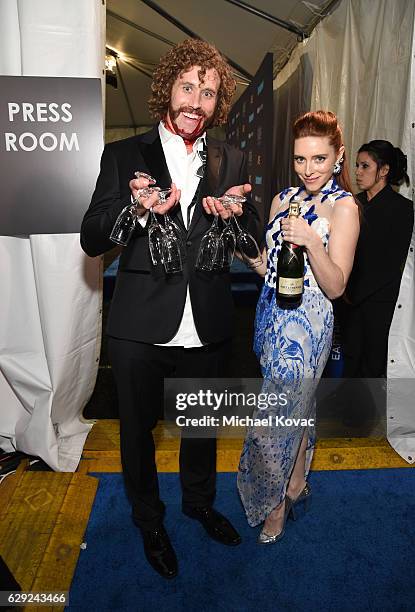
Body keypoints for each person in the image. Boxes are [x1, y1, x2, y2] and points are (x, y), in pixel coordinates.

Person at [80, 38, 259, 578]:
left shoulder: (233, 158)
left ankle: (199, 502)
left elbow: (253, 242)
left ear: (216, 103)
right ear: (167, 90)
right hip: (139, 325)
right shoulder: (124, 154)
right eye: (188, 87)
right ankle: (148, 517)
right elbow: (92, 238)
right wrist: (134, 211)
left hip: (206, 321)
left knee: (202, 425)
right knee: (137, 430)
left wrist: (233, 218)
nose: (196, 101)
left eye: (208, 93)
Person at [237, 110, 360, 543]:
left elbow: (336, 284)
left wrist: (310, 240)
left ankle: (273, 505)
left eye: (320, 159)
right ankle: (294, 484)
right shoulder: (281, 200)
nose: (309, 169)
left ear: (338, 156)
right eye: (300, 159)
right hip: (271, 317)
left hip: (307, 331)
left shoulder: (344, 209)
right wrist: (248, 252)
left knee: (271, 425)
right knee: (298, 411)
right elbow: (269, 269)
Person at [342, 140, 414, 377]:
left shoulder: (403, 209)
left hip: (379, 306)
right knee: (350, 362)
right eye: (357, 166)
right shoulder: (353, 204)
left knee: (372, 367)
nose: (358, 172)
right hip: (351, 302)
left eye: (365, 166)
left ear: (383, 171)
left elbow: (391, 264)